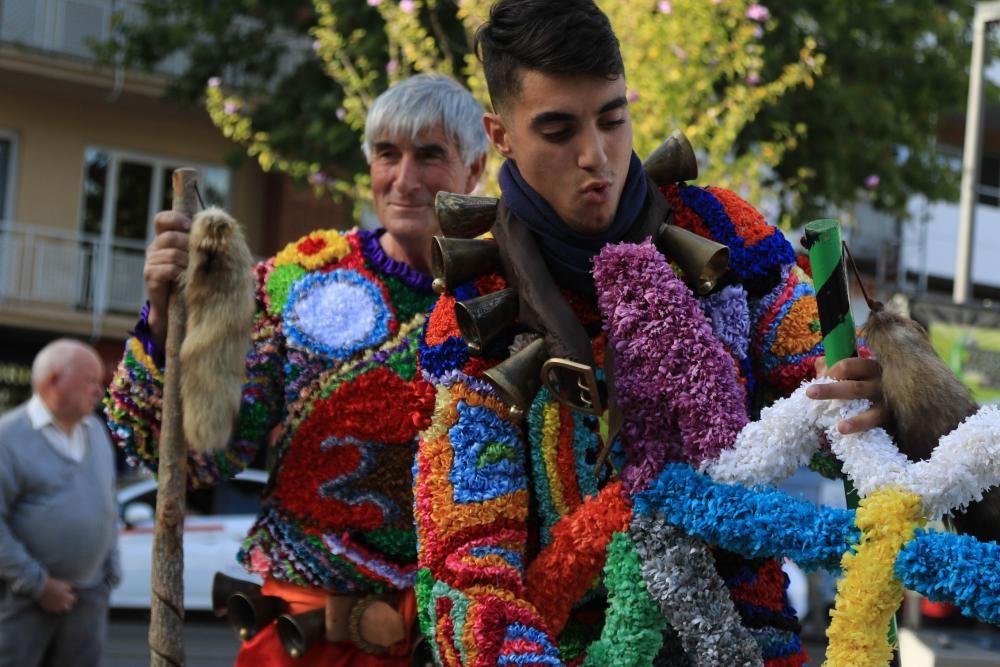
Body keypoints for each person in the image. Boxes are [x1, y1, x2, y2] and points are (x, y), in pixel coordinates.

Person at [412, 2, 886, 666]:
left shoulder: (723, 228)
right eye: (557, 130)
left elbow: (828, 399)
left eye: (613, 119)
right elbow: (466, 559)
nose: (596, 157)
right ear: (500, 135)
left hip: (746, 634)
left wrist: (862, 397)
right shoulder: (470, 307)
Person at [104, 74, 487, 666]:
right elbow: (200, 455)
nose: (404, 179)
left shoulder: (510, 299)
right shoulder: (292, 281)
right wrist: (160, 317)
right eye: (388, 155)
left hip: (460, 640)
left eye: (430, 156)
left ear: (476, 167)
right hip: (306, 640)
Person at [0, 339, 120, 667]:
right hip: (23, 598)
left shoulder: (96, 432)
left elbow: (108, 504)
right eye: (91, 381)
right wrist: (37, 584)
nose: (100, 390)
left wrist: (110, 571)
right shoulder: (8, 437)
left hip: (89, 594)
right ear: (53, 380)